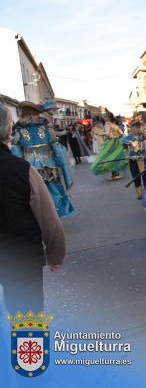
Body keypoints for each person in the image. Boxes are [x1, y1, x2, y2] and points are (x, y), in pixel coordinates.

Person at [0, 104, 65, 313]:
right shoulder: (22, 169)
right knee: (28, 318)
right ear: (9, 130)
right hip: (21, 257)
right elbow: (48, 217)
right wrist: (55, 253)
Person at [11, 101, 75, 217]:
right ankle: (54, 216)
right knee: (54, 191)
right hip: (49, 165)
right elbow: (58, 151)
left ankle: (41, 218)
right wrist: (67, 176)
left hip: (29, 167)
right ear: (36, 113)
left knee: (35, 194)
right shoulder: (46, 128)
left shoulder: (18, 131)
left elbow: (16, 154)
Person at [91, 111, 127, 180]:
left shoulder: (107, 124)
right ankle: (116, 174)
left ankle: (114, 174)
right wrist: (116, 137)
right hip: (118, 143)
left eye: (105, 116)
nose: (104, 118)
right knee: (116, 157)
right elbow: (122, 134)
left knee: (110, 157)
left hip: (110, 143)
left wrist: (99, 133)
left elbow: (107, 134)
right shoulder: (114, 125)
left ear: (108, 117)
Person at [122, 119, 146, 200]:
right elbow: (124, 150)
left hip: (143, 158)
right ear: (132, 128)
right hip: (133, 160)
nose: (138, 129)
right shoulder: (126, 138)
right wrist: (128, 156)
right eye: (136, 127)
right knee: (136, 177)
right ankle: (139, 194)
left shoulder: (142, 135)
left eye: (139, 127)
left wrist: (145, 128)